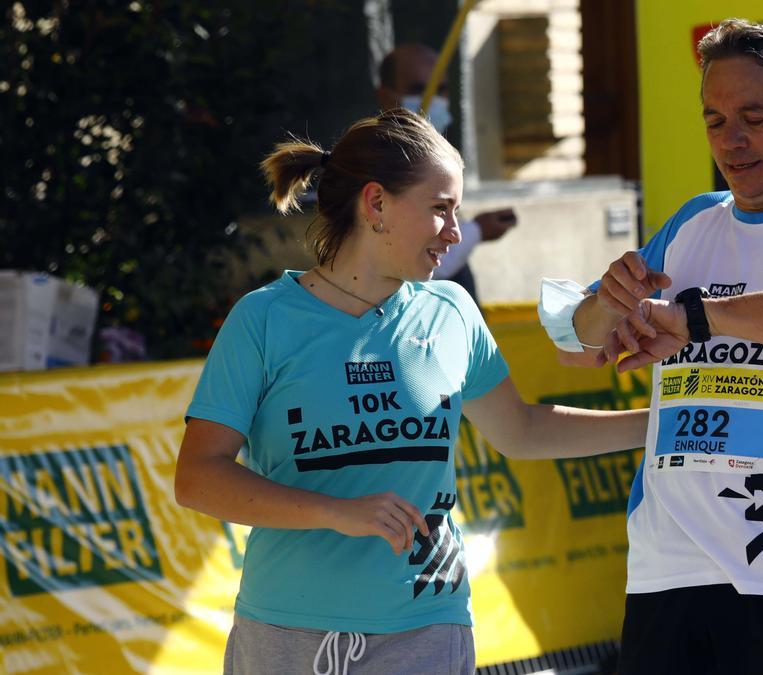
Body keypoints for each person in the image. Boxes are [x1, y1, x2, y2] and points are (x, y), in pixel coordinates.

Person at [174, 109, 648, 675]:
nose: (455, 232)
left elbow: (521, 430)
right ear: (375, 204)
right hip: (284, 632)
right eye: (441, 210)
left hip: (428, 628)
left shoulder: (451, 311)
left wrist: (662, 422)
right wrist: (336, 512)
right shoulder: (264, 319)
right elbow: (198, 477)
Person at [539, 19, 763, 674]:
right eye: (714, 120)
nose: (730, 141)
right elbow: (576, 341)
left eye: (753, 117)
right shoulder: (692, 223)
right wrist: (608, 302)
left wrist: (701, 318)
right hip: (668, 571)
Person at [377, 43, 517, 302]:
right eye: (418, 89)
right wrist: (476, 230)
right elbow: (409, 259)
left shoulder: (431, 156)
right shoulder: (383, 162)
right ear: (386, 97)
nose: (433, 98)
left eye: (441, 90)